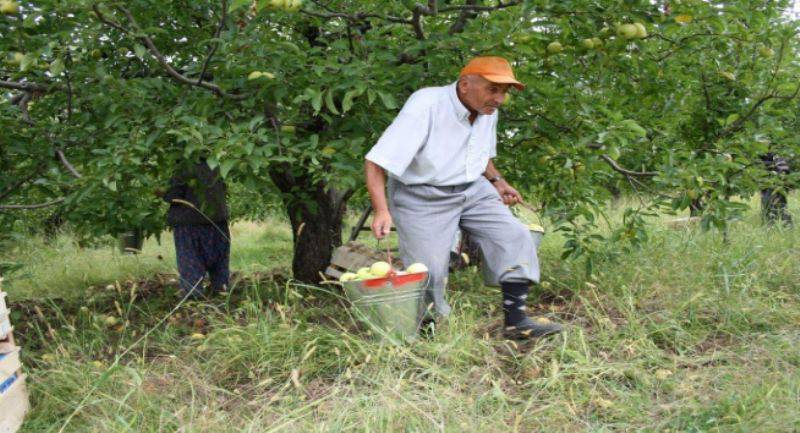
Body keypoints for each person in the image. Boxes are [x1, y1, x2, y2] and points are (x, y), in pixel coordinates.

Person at [363, 56, 562, 339]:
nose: (500, 99)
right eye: (493, 89)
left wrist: (497, 181)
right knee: (427, 270)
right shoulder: (426, 106)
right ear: (465, 84)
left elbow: (478, 154)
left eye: (504, 92)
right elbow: (375, 162)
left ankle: (516, 323)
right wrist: (381, 210)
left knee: (515, 235)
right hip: (422, 195)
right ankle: (426, 334)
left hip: (472, 188)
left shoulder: (486, 109)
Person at [162, 159, 230, 298]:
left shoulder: (184, 167)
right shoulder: (217, 165)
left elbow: (173, 195)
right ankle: (221, 290)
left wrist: (161, 193)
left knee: (190, 260)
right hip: (217, 222)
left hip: (189, 223)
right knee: (219, 260)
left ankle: (193, 296)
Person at [760, 152, 792, 226]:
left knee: (780, 205)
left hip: (776, 182)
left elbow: (784, 168)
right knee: (766, 204)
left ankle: (787, 225)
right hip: (767, 182)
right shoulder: (761, 151)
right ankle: (769, 226)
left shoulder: (775, 150)